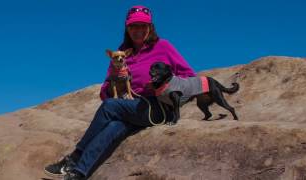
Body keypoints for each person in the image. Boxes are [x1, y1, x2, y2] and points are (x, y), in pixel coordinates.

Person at [44, 5, 196, 180]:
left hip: (157, 107)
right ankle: (78, 173)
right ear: (127, 28)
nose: (138, 30)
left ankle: (74, 157)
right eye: (133, 26)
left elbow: (188, 76)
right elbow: (105, 91)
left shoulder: (163, 46)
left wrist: (161, 84)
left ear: (150, 27)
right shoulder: (122, 54)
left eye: (143, 26)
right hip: (131, 108)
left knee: (110, 107)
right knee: (114, 127)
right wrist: (113, 86)